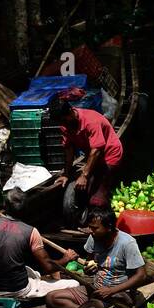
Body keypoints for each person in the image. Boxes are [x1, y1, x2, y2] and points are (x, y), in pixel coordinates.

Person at [46, 207, 148, 308]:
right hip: (95, 289)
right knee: (52, 298)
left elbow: (141, 275)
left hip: (118, 295)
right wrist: (88, 269)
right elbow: (89, 262)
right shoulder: (94, 237)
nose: (90, 231)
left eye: (94, 228)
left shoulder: (127, 243)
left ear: (109, 227)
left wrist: (112, 290)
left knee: (92, 305)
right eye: (89, 227)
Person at [0, 213, 81, 300]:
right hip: (19, 290)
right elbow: (48, 267)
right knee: (74, 283)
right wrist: (66, 258)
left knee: (30, 271)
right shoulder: (31, 231)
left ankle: (37, 281)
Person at [48, 95, 123, 226]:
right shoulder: (65, 125)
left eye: (64, 120)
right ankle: (92, 217)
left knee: (98, 197)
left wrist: (84, 175)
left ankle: (105, 225)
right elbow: (69, 149)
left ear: (71, 111)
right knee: (86, 190)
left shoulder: (90, 121)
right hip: (94, 156)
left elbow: (96, 150)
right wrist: (66, 174)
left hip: (109, 155)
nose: (63, 124)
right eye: (61, 122)